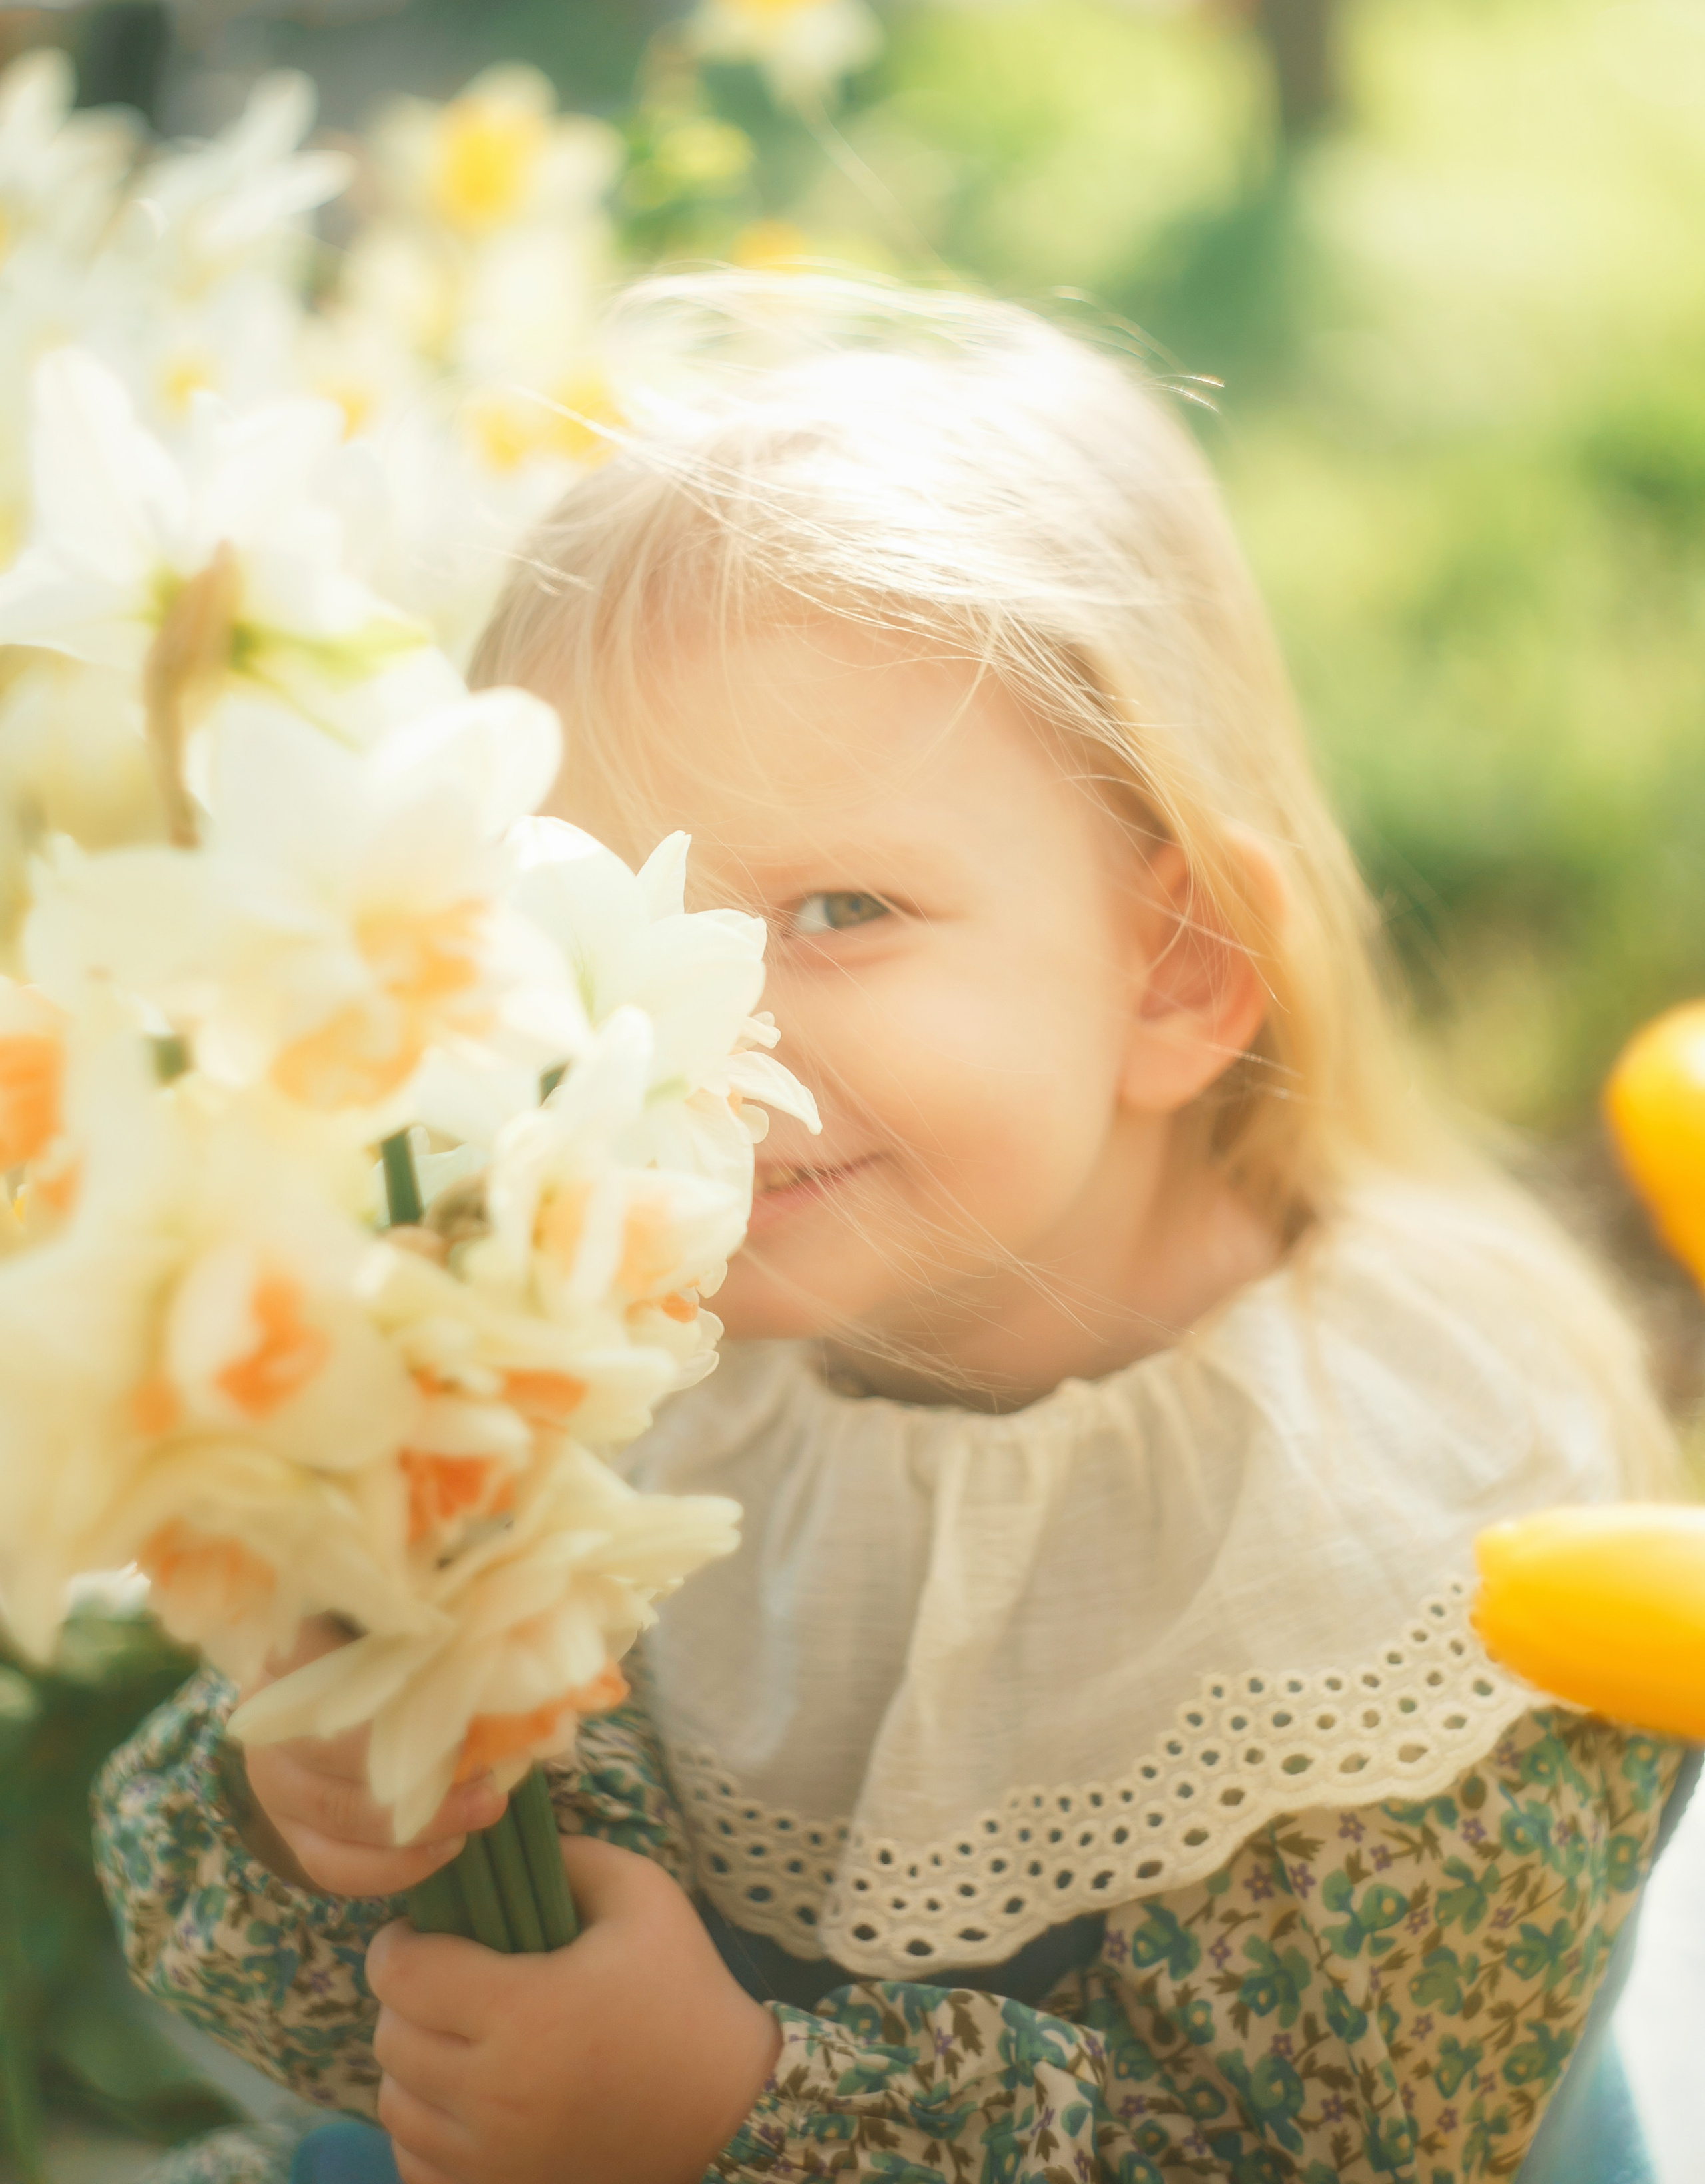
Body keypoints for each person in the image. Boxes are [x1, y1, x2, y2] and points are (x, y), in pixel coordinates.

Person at [95, 276, 1686, 2184]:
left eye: (838, 910)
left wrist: (738, 2117)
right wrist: (322, 1806)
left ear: (1180, 966)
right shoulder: (591, 1357)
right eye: (597, 915)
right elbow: (343, 2011)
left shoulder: (1411, 1508)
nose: (695, 1032)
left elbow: (1325, 2148)